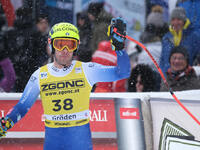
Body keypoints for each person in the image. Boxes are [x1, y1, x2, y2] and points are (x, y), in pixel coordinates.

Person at [0, 18, 130, 150]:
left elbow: (122, 73)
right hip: (54, 143)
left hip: (80, 142)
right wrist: (4, 124)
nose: (65, 50)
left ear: (76, 47)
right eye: (60, 44)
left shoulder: (87, 70)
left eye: (70, 45)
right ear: (51, 45)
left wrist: (119, 48)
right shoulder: (39, 75)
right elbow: (22, 107)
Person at [159, 7, 200, 74]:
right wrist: (164, 76)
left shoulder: (193, 36)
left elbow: (197, 57)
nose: (175, 22)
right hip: (169, 80)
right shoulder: (166, 38)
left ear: (184, 21)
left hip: (188, 79)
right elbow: (162, 61)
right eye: (173, 19)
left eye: (179, 19)